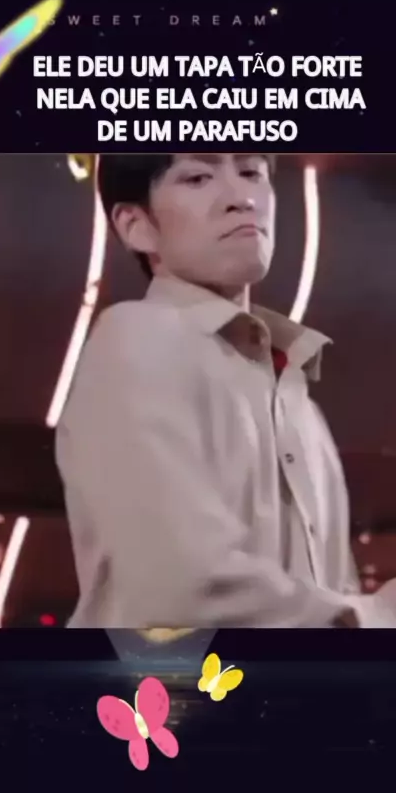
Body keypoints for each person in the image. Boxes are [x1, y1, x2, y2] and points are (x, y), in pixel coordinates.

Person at [56, 152, 395, 628]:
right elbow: (178, 587)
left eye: (252, 172)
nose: (242, 198)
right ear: (137, 225)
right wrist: (371, 617)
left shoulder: (296, 400)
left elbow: (332, 594)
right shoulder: (139, 336)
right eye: (198, 177)